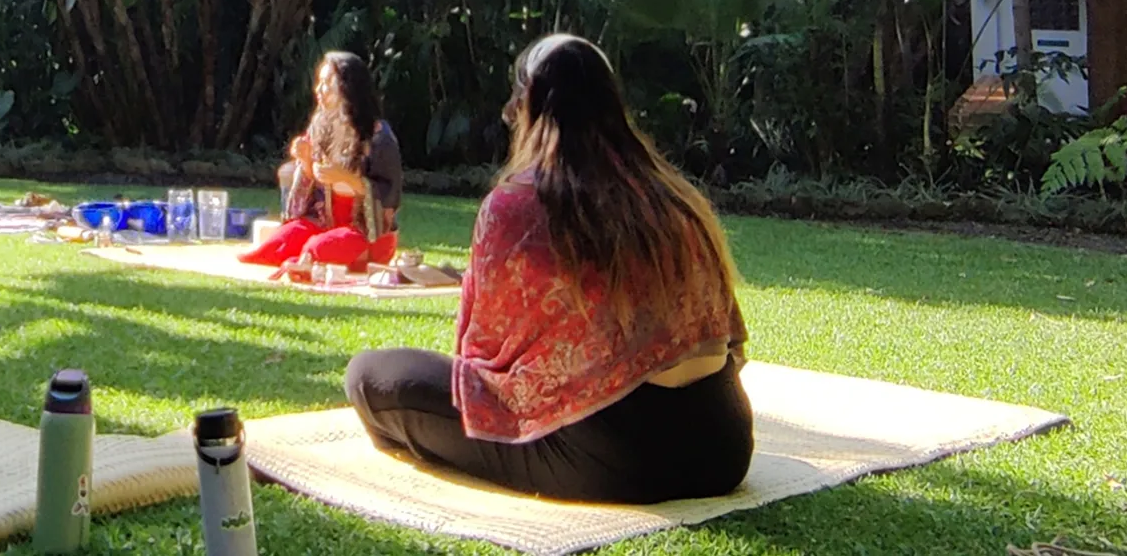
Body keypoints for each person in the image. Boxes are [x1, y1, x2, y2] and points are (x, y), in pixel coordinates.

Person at [341, 34, 752, 505]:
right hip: (723, 444)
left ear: (528, 106)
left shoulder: (518, 203)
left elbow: (486, 364)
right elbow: (726, 339)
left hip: (617, 462)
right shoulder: (675, 197)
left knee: (368, 377)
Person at [240, 52, 405, 274]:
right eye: (319, 82)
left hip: (365, 234)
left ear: (348, 89)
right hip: (325, 225)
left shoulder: (379, 137)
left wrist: (348, 180)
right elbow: (308, 196)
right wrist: (306, 162)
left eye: (327, 84)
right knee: (277, 245)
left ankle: (310, 258)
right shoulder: (320, 128)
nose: (319, 90)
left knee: (316, 248)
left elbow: (389, 198)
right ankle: (304, 257)